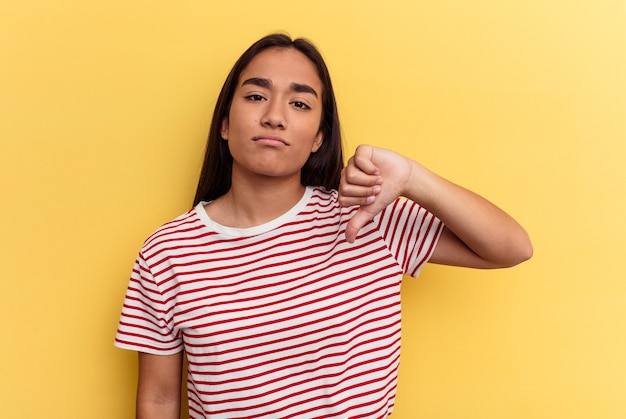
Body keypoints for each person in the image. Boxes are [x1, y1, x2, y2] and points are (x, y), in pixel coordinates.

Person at [115, 33, 532, 419]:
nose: (274, 116)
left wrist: (411, 178)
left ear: (319, 137)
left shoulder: (367, 217)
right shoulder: (168, 252)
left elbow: (512, 248)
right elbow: (159, 398)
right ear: (224, 123)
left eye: (300, 104)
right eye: (257, 95)